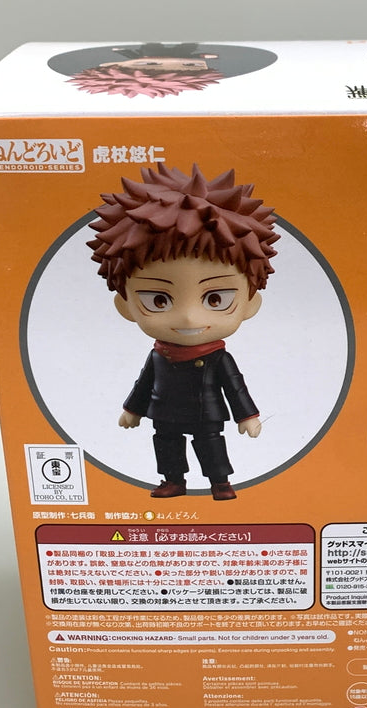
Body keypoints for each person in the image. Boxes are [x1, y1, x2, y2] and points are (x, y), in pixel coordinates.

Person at [88, 163, 279, 500]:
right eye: (158, 300)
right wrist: (132, 409)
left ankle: (220, 481)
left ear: (250, 304)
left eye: (216, 299)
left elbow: (235, 386)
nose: (189, 317)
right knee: (166, 443)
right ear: (126, 306)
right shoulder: (159, 354)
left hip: (207, 413)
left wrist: (247, 415)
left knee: (210, 443)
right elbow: (145, 382)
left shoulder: (217, 357)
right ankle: (172, 480)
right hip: (164, 411)